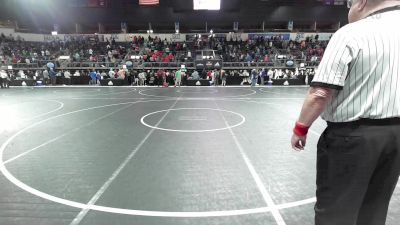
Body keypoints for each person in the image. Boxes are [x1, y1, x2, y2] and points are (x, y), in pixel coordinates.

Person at [291, 1, 400, 225]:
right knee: (374, 209)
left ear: (361, 3)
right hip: (395, 138)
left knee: (336, 213)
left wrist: (300, 128)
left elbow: (320, 92)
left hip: (353, 138)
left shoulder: (351, 33)